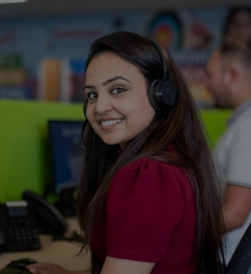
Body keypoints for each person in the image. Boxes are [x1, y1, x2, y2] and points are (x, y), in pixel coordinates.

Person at [27, 31, 225, 274]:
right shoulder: (170, 160)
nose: (99, 107)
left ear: (160, 95)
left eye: (118, 89)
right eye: (92, 95)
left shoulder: (149, 175)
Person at [204, 41, 251, 264]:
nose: (206, 85)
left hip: (235, 261)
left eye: (210, 75)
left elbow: (235, 213)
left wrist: (178, 233)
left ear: (231, 75)